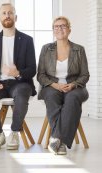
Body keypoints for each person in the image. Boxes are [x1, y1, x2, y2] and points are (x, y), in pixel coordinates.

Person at [0, 3, 36, 150]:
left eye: (10, 13)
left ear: (15, 17)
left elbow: (32, 69)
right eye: (4, 13)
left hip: (20, 82)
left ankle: (15, 132)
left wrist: (17, 73)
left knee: (22, 93)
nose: (7, 15)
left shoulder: (27, 40)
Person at [37, 16, 89, 155]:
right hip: (52, 87)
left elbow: (85, 75)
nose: (60, 29)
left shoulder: (79, 49)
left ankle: (56, 138)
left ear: (69, 29)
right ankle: (61, 144)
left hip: (75, 88)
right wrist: (55, 85)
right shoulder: (46, 49)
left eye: (63, 26)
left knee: (72, 99)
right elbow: (40, 75)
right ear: (53, 30)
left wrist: (72, 85)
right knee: (52, 97)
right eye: (57, 26)